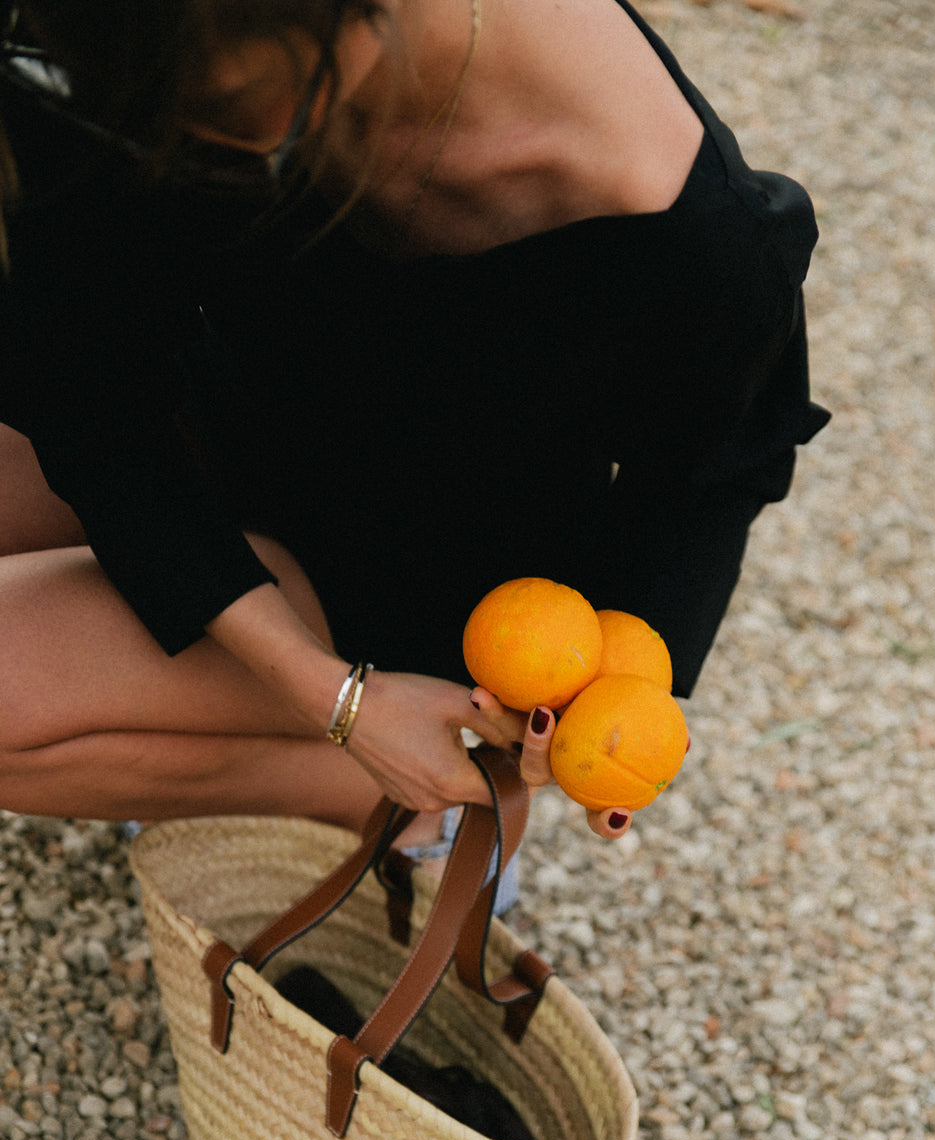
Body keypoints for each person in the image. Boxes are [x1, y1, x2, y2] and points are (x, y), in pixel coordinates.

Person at [0, 0, 828, 857]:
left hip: (405, 571)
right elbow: (83, 377)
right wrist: (320, 692)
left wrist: (582, 713)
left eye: (230, 106)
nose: (178, 138)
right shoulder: (177, 55)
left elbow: (708, 480)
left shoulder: (687, 234)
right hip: (207, 415)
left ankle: (415, 802)